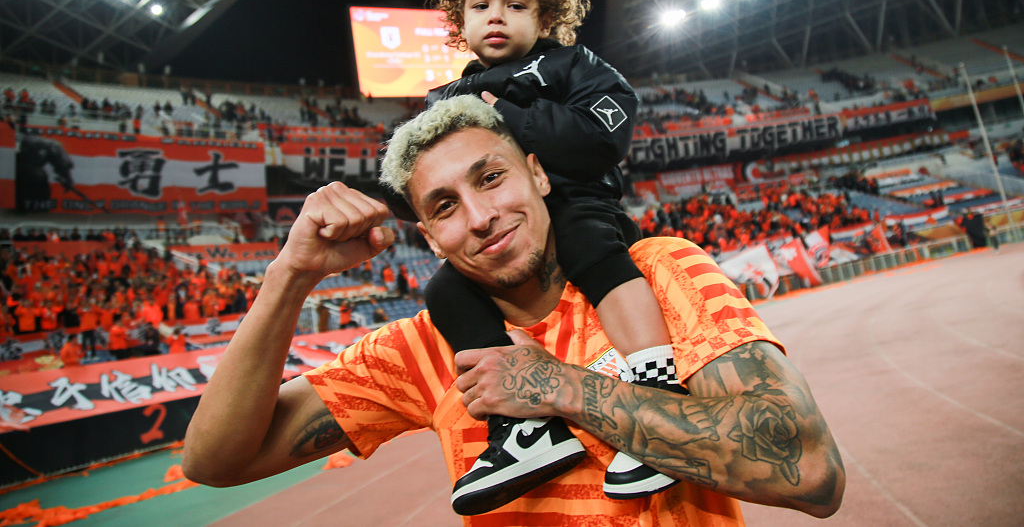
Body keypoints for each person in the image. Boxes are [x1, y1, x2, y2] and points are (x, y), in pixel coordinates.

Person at [183, 96, 844, 524]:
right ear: (429, 236)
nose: (479, 218)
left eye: (491, 176)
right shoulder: (420, 349)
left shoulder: (659, 272)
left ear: (539, 173)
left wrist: (562, 388)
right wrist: (287, 276)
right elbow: (214, 461)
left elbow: (811, 472)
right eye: (443, 206)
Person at [380, 0, 684, 509]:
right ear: (458, 20)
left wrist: (507, 116)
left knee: (585, 240)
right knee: (443, 288)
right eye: (481, 4)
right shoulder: (444, 98)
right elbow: (415, 178)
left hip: (578, 205)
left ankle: (654, 394)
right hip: (505, 228)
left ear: (544, 16)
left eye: (515, 4)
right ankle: (527, 431)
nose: (497, 16)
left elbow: (605, 132)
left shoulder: (573, 65)